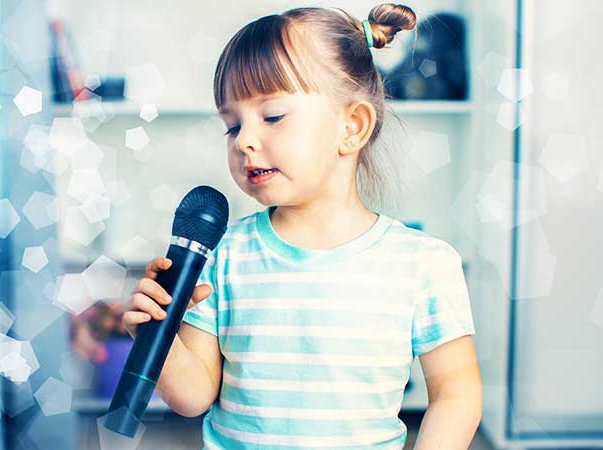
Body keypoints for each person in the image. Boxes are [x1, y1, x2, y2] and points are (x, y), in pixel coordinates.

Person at [122, 4, 482, 449]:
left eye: (271, 116)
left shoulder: (423, 265)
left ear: (352, 126)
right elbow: (193, 398)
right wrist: (159, 334)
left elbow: (457, 394)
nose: (246, 141)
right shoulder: (225, 256)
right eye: (232, 127)